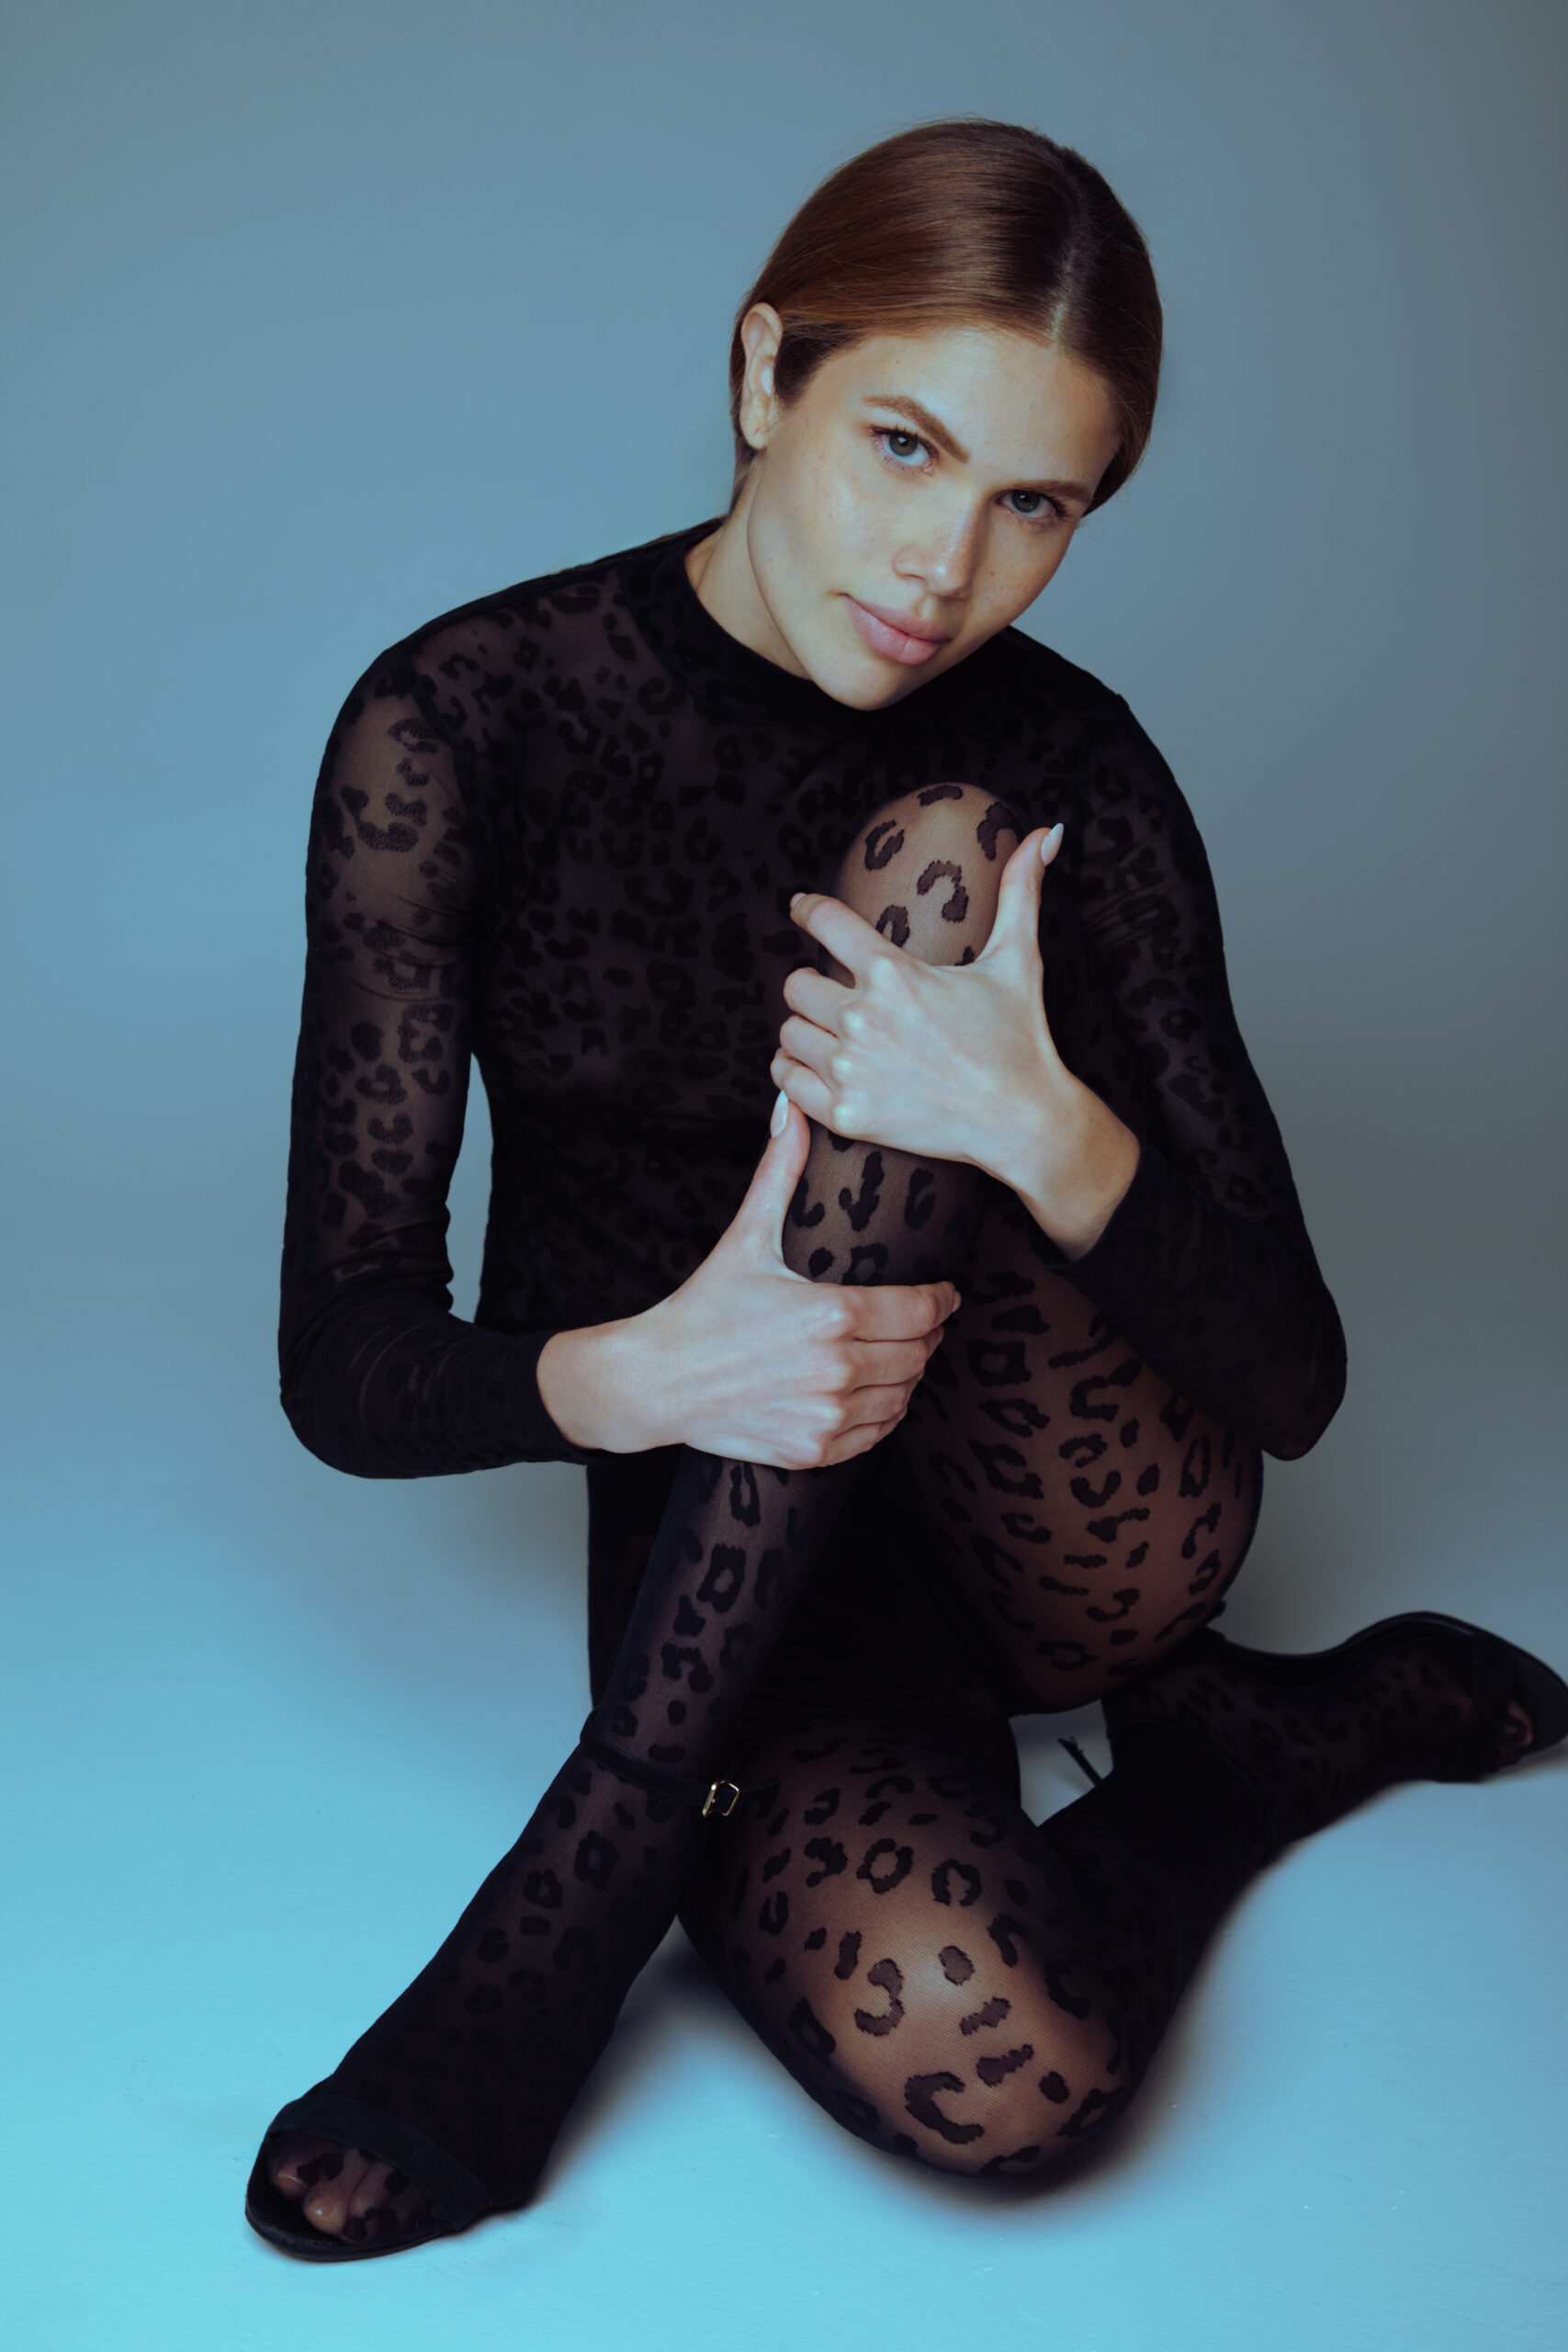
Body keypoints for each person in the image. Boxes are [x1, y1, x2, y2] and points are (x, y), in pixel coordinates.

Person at [243, 118, 1566, 2259]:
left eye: (1034, 502)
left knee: (932, 872)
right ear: (764, 372)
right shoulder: (463, 726)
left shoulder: (1065, 766)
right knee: (1002, 2063)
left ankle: (583, 1872)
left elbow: (1293, 1379)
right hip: (737, 1569)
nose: (944, 566)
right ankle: (1238, 1758)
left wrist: (1038, 1121)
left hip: (1069, 1509)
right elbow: (343, 1355)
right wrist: (633, 1370)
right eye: (902, 446)